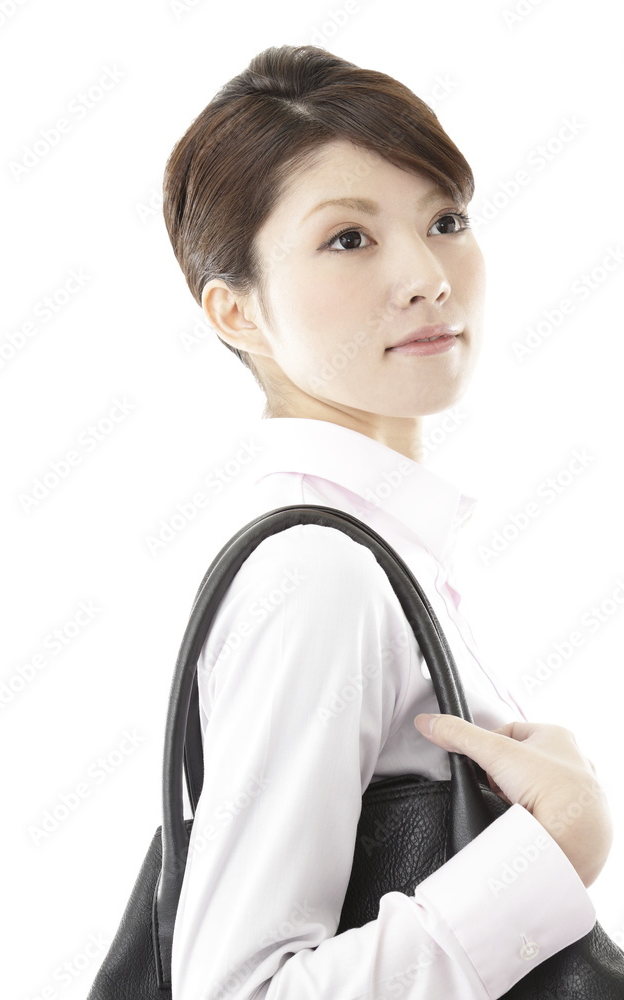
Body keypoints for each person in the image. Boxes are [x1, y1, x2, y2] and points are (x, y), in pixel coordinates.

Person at [162, 44, 613, 999]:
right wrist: (552, 851)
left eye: (444, 220)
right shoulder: (319, 571)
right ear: (236, 312)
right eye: (348, 239)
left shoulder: (384, 551)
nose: (426, 276)